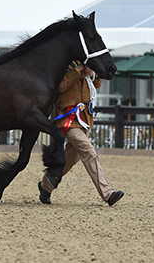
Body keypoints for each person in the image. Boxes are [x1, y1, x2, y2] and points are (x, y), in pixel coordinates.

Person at [38, 61, 124, 206]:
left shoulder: (87, 63)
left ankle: (46, 186)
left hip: (84, 119)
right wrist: (77, 71)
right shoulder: (63, 64)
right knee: (89, 151)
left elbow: (96, 85)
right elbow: (59, 87)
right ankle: (107, 193)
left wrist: (93, 74)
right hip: (67, 119)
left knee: (70, 159)